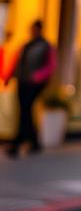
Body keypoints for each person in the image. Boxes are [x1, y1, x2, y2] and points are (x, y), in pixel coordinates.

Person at [4, 20, 56, 157]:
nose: (32, 31)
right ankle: (33, 142)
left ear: (39, 29)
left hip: (35, 84)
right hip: (22, 81)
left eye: (34, 29)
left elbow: (50, 66)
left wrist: (38, 76)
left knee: (25, 109)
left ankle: (17, 143)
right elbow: (17, 62)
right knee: (25, 111)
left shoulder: (45, 46)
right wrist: (8, 76)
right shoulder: (26, 45)